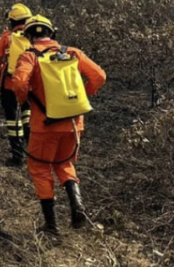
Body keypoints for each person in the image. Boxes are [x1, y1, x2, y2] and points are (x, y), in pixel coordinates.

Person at [11, 15, 106, 235]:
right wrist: (86, 92)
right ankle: (77, 206)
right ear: (51, 33)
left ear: (29, 36)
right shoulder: (72, 52)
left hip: (45, 125)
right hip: (74, 122)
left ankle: (51, 226)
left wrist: (24, 100)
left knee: (40, 169)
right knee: (65, 164)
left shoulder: (29, 56)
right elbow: (99, 75)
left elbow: (18, 83)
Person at [0, 3, 33, 166]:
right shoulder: (35, 35)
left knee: (13, 121)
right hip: (31, 85)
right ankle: (33, 150)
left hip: (10, 85)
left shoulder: (7, 37)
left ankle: (17, 157)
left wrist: (4, 66)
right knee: (28, 114)